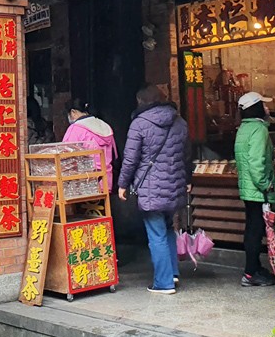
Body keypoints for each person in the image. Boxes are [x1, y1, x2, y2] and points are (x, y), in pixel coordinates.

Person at [117, 86, 190, 295]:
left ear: (141, 101)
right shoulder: (180, 121)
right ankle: (173, 273)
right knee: (168, 229)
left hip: (150, 187)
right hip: (174, 185)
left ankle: (163, 282)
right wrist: (188, 179)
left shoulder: (139, 124)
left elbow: (130, 160)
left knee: (156, 234)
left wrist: (123, 184)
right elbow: (186, 154)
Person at [234, 92, 275, 287]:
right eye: (263, 104)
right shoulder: (259, 130)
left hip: (248, 188)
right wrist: (265, 184)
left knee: (252, 227)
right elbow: (256, 161)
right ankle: (251, 272)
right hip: (258, 190)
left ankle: (254, 268)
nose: (267, 108)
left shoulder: (244, 128)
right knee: (256, 229)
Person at [62, 98, 116, 188]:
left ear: (73, 112)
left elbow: (65, 155)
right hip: (106, 181)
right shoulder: (105, 126)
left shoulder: (75, 128)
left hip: (86, 183)